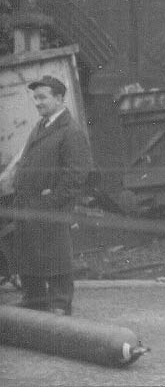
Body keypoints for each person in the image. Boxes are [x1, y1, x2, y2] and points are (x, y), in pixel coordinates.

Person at [9, 75, 93, 316]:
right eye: (35, 98)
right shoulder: (42, 125)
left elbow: (77, 174)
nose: (37, 102)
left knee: (56, 254)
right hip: (28, 203)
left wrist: (52, 200)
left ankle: (60, 303)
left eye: (42, 97)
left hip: (50, 207)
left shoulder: (70, 130)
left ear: (58, 98)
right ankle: (34, 299)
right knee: (29, 251)